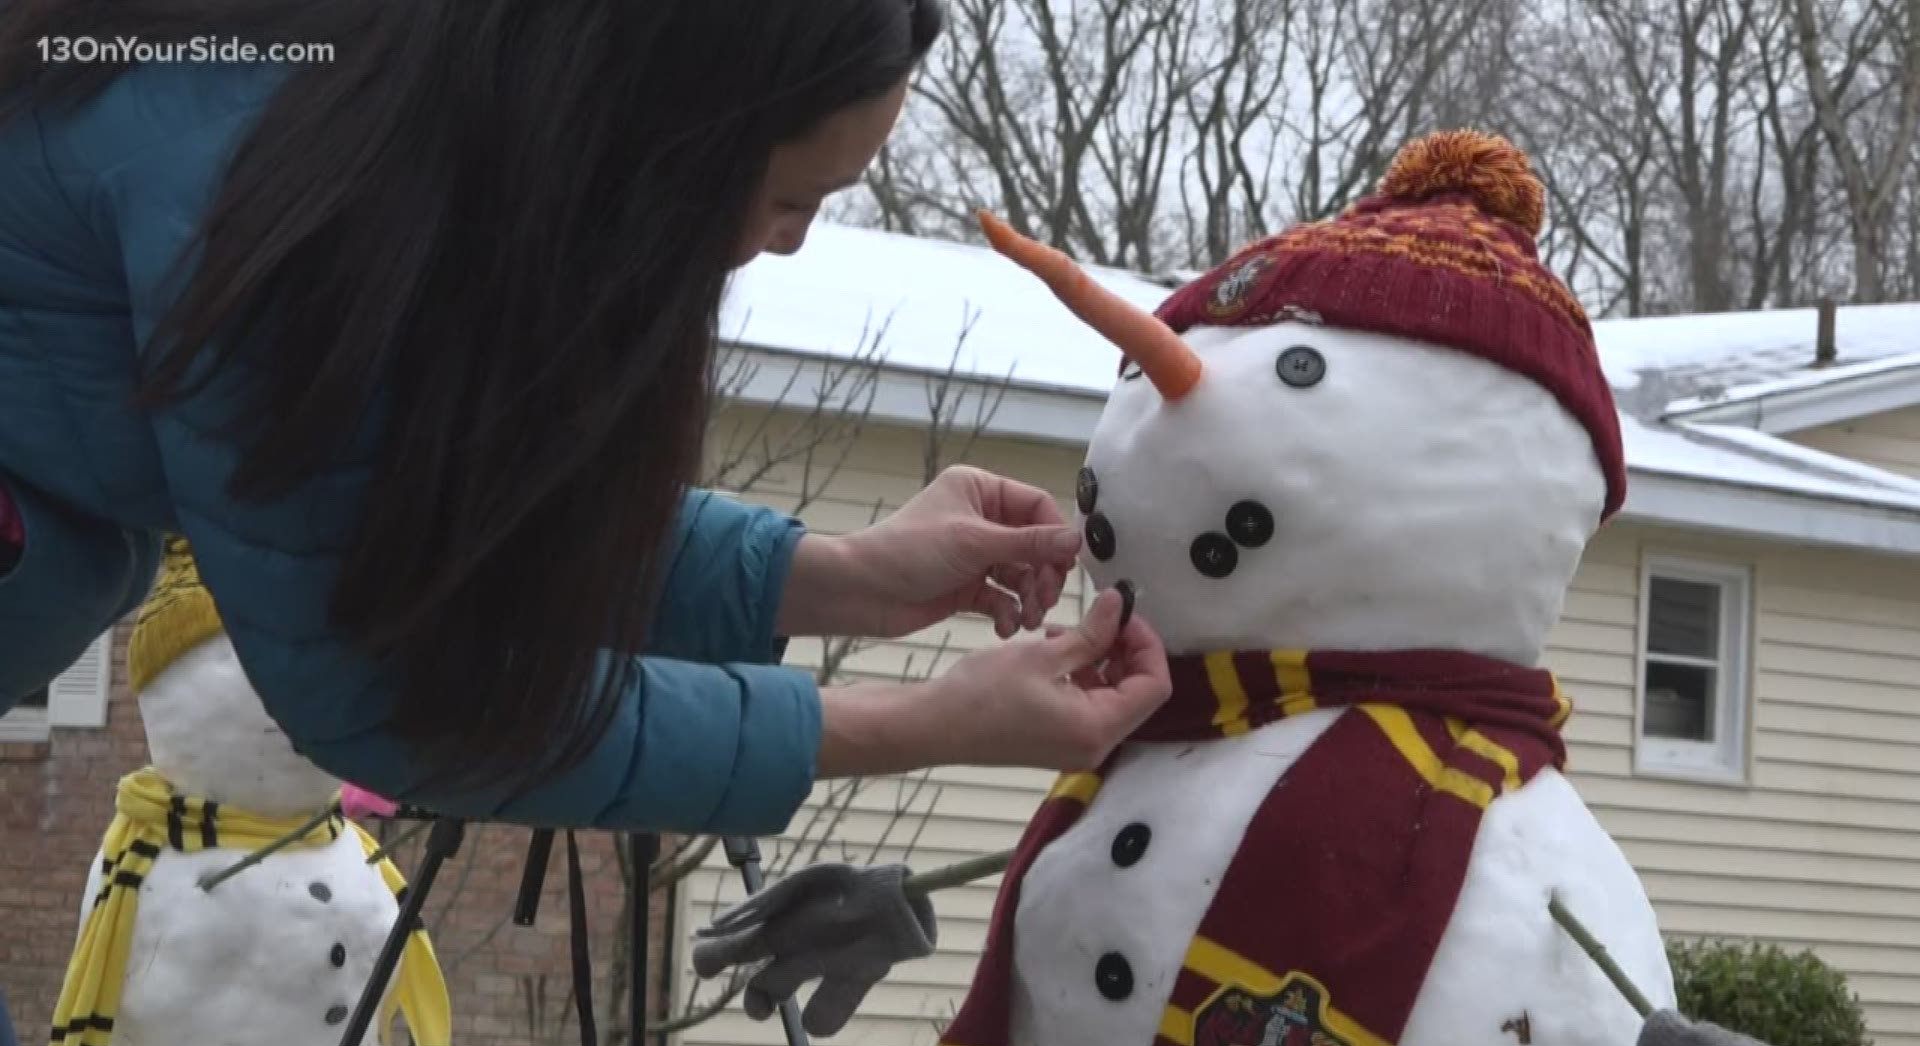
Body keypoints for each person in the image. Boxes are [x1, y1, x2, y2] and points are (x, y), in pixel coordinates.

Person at [0, 0, 1171, 838]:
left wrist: (832, 578)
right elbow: (394, 690)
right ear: (663, 131)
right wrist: (909, 726)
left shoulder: (382, 125)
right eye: (785, 198)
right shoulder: (279, 208)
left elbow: (414, 509)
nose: (790, 244)